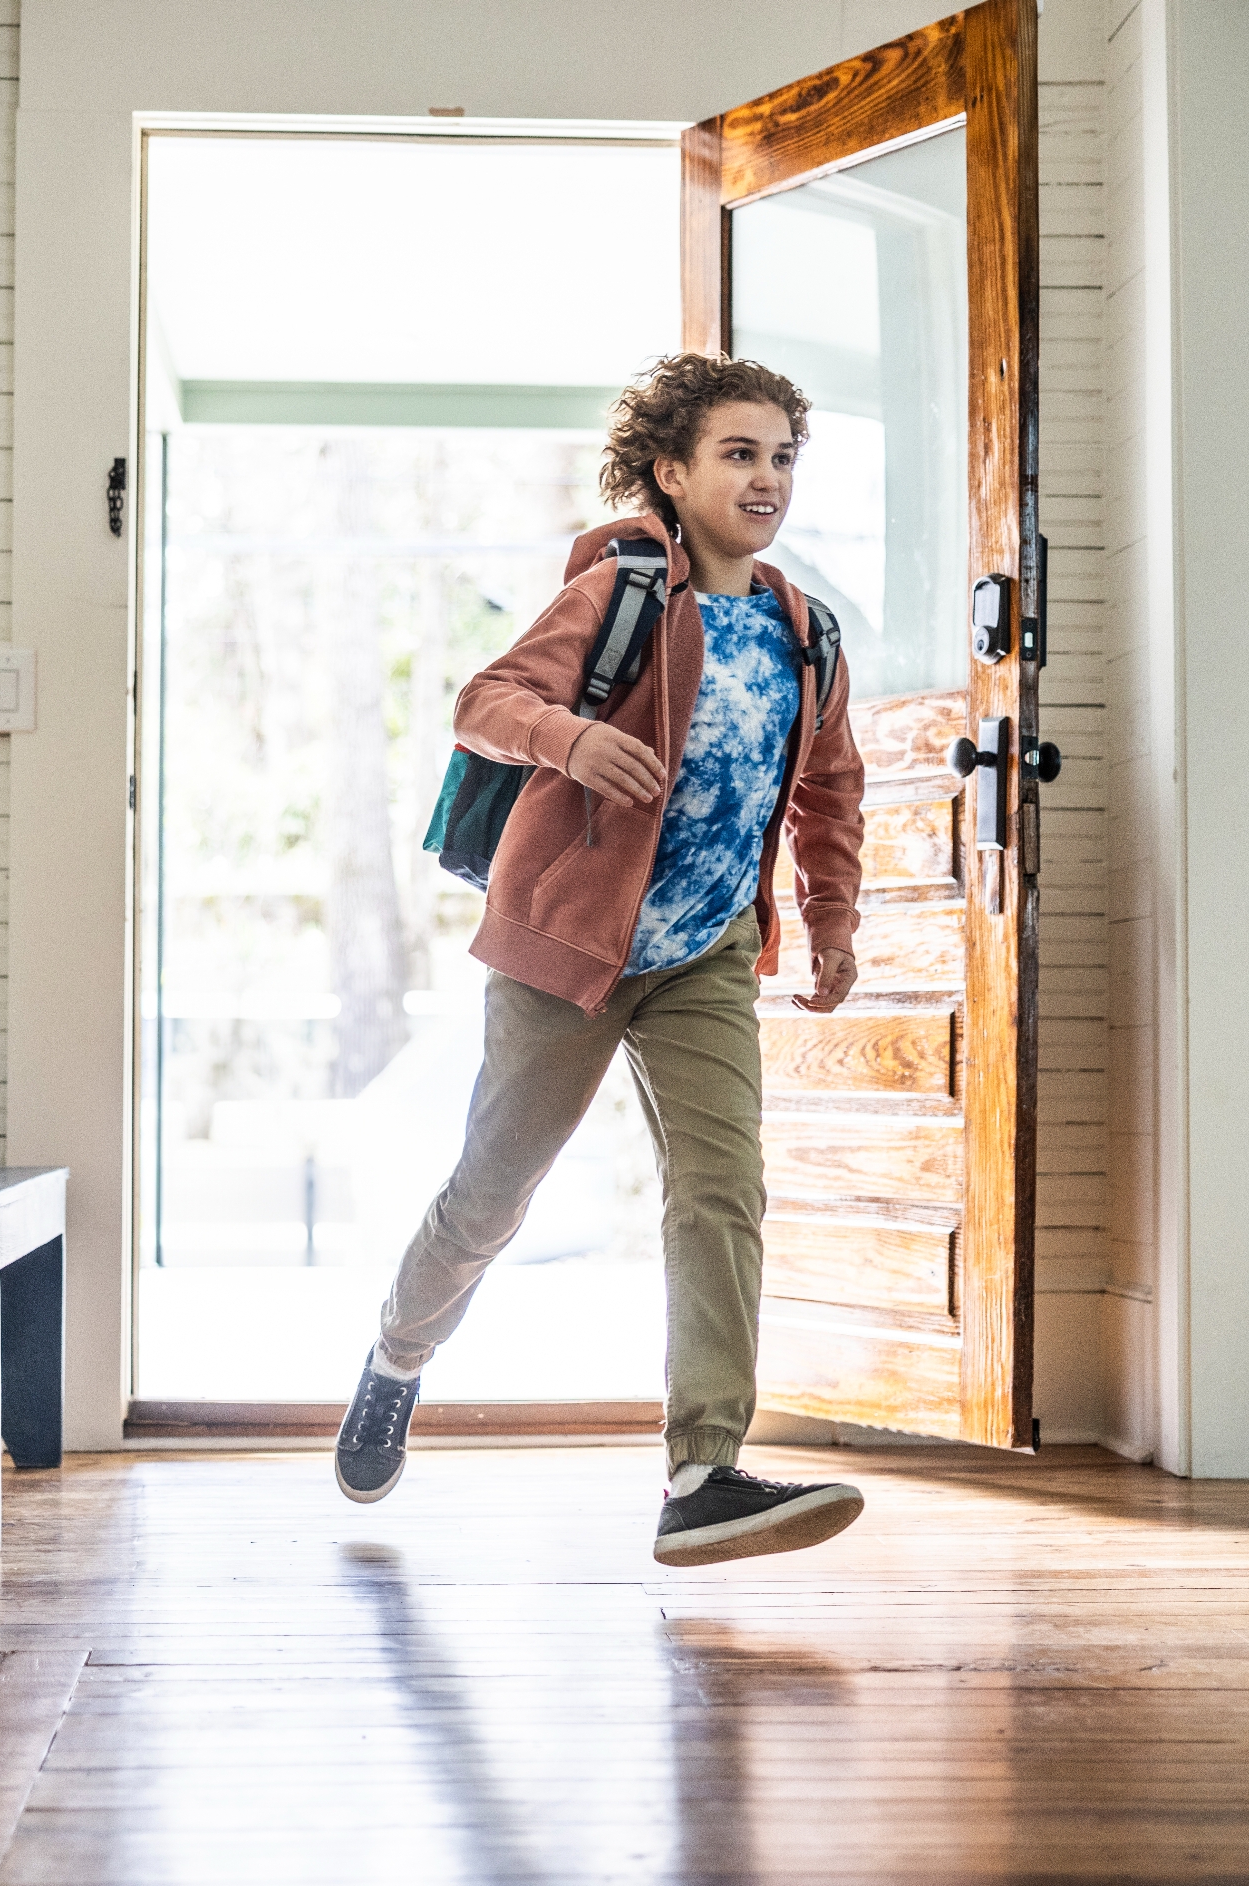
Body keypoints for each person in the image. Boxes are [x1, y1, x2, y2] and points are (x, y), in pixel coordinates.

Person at [332, 353, 869, 1566]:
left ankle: (702, 1468)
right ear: (670, 472)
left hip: (705, 954)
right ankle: (395, 1355)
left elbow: (829, 789)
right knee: (491, 1193)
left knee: (722, 1187)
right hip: (567, 944)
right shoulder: (622, 589)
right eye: (737, 454)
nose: (765, 477)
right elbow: (484, 698)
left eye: (782, 456)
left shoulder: (804, 629)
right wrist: (571, 740)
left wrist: (831, 920)